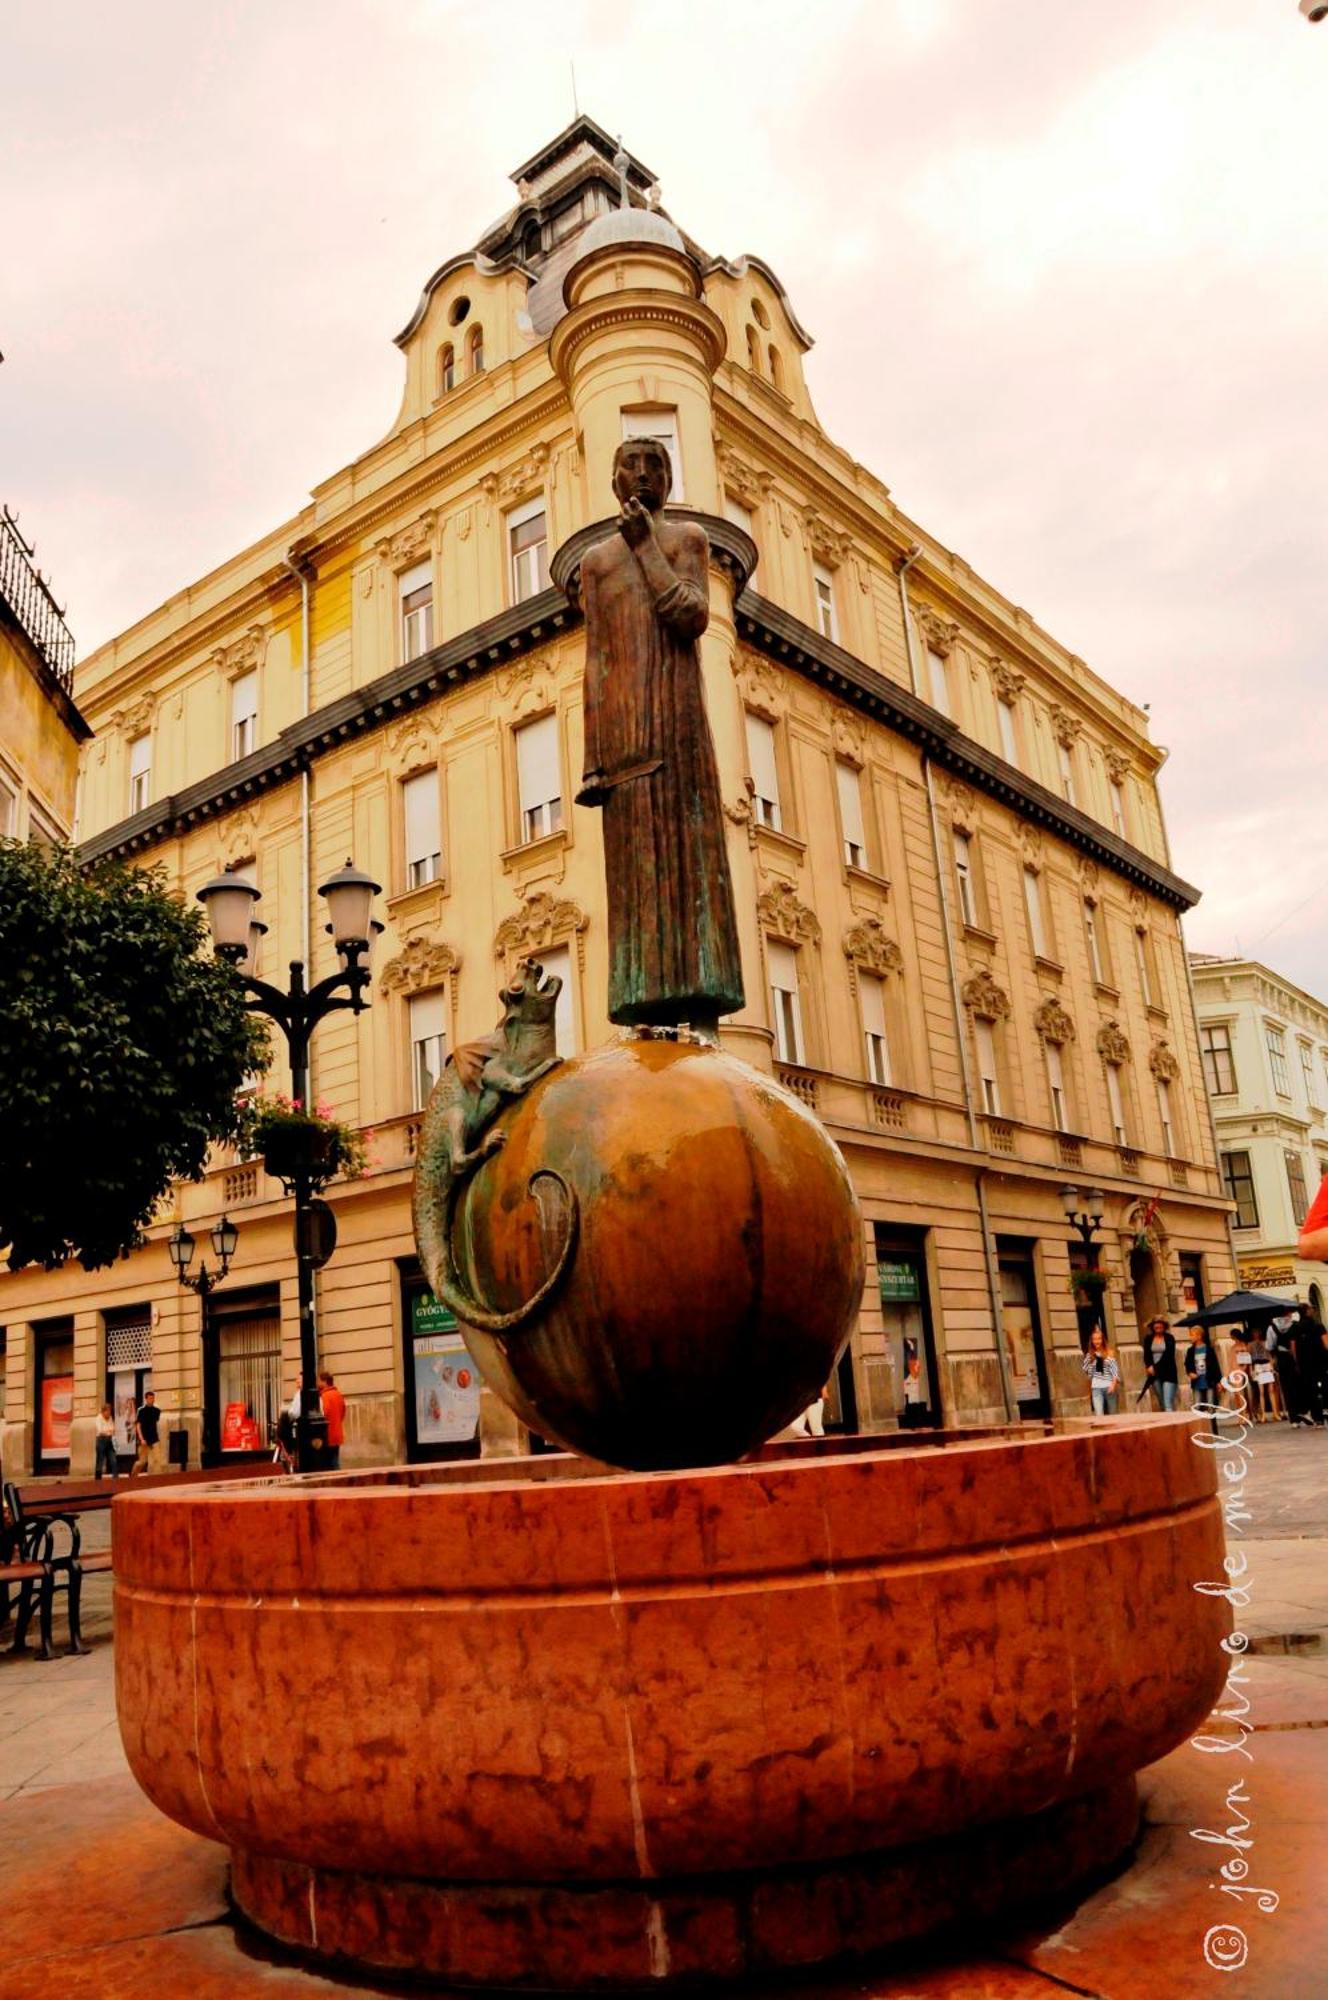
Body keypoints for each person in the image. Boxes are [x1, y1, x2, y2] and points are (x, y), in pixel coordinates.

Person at [573, 437, 745, 1035]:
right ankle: (644, 1009)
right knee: (634, 876)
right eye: (631, 464)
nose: (643, 474)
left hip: (677, 726)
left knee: (688, 863)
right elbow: (595, 659)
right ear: (614, 479)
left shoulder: (685, 541)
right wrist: (592, 759)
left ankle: (699, 1006)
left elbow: (690, 615)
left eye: (656, 465)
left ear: (668, 480)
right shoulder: (594, 563)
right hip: (621, 737)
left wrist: (647, 547)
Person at [1291, 1303, 1328, 1426]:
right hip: (1321, 1361)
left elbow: (1293, 1347)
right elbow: (1326, 1343)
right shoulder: (1318, 1325)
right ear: (1307, 1311)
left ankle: (1318, 1419)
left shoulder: (1295, 1327)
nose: (1313, 1310)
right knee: (1324, 1385)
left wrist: (1296, 1362)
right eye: (1311, 1308)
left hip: (1304, 1363)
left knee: (1311, 1389)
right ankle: (1325, 1409)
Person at [1141, 1316, 1179, 1412]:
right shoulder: (1148, 1339)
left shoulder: (1170, 1338)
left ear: (1164, 1326)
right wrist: (1149, 1366)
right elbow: (1146, 1355)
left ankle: (1172, 1425)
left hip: (1168, 1373)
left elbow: (1168, 1356)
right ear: (1153, 1326)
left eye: (1160, 1324)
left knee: (1167, 1404)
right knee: (1162, 1403)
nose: (1158, 1326)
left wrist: (1155, 1367)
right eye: (1156, 1324)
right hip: (1155, 1375)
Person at [1082, 1328, 1120, 1415]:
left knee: (1113, 1414)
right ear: (1091, 1341)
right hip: (1096, 1387)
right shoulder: (1089, 1355)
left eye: (1099, 1339)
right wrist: (1090, 1361)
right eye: (1094, 1339)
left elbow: (1115, 1371)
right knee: (1099, 1414)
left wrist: (1113, 1385)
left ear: (1102, 1340)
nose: (1096, 1341)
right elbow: (1086, 1371)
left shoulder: (1109, 1353)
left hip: (1109, 1386)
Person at [1248, 1331, 1281, 1423]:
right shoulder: (1250, 1345)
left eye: (1258, 1332)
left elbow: (1270, 1355)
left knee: (1271, 1390)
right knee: (1261, 1391)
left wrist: (1272, 1365)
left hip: (1266, 1364)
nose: (1256, 1334)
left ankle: (1275, 1413)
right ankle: (1263, 1415)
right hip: (1258, 1365)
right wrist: (1251, 1370)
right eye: (1255, 1332)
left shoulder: (1265, 1342)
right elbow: (1249, 1357)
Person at [130, 1389, 163, 1476]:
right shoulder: (141, 1411)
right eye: (150, 1398)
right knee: (142, 1461)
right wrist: (141, 1439)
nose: (152, 1400)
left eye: (153, 1398)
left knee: (157, 1459)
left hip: (154, 1438)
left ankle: (156, 1478)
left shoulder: (157, 1411)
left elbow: (157, 1423)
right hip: (143, 1440)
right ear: (146, 1399)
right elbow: (138, 1426)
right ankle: (133, 1473)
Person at [318, 1370, 346, 1470]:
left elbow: (323, 1414)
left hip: (327, 1434)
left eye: (319, 1381)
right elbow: (343, 1412)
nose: (318, 1383)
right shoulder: (338, 1394)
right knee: (335, 1460)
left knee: (328, 1463)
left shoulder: (324, 1396)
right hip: (337, 1433)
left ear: (325, 1381)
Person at [94, 1401, 118, 1480]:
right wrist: (109, 1431)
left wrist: (109, 1431)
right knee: (100, 1461)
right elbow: (100, 1431)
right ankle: (98, 1479)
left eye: (110, 1411)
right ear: (103, 1411)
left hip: (109, 1440)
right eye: (107, 1411)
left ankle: (115, 1477)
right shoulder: (98, 1418)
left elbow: (113, 1428)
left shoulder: (110, 1418)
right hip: (101, 1441)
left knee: (113, 1459)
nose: (109, 1413)